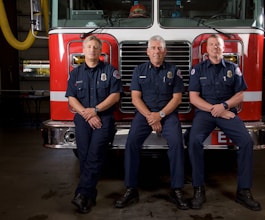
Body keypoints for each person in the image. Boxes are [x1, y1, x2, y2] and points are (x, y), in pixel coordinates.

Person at [187, 34, 261, 211]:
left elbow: (241, 94)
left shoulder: (233, 68)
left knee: (246, 142)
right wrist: (215, 109)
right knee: (194, 141)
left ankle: (243, 191)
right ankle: (198, 189)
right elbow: (194, 98)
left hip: (227, 112)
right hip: (206, 113)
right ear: (206, 49)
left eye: (218, 45)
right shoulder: (198, 70)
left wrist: (224, 106)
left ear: (223, 48)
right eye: (212, 45)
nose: (215, 48)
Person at [115, 35, 188, 210]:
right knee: (131, 142)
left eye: (160, 48)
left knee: (177, 143)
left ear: (165, 52)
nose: (156, 51)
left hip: (168, 114)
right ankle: (131, 189)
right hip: (144, 114)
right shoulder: (138, 70)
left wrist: (160, 115)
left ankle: (177, 189)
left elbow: (177, 99)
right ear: (148, 52)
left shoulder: (174, 70)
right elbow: (135, 98)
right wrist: (150, 116)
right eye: (153, 48)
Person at [65, 35, 123, 214]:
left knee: (95, 153)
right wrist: (87, 113)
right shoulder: (75, 73)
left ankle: (82, 194)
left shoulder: (110, 70)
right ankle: (89, 196)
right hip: (83, 118)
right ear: (83, 50)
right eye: (89, 47)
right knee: (84, 155)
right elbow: (71, 97)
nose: (92, 50)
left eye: (95, 47)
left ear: (100, 51)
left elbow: (115, 96)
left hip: (103, 118)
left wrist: (95, 110)